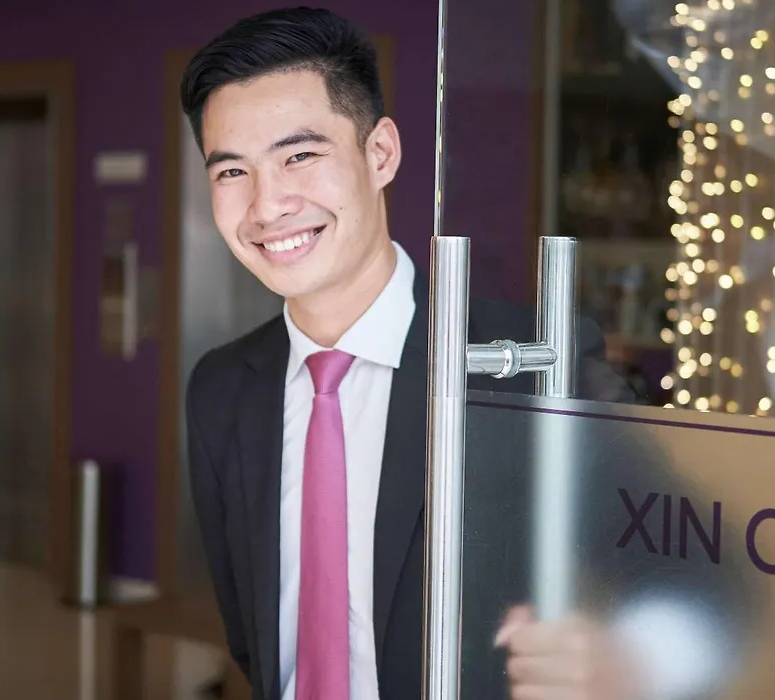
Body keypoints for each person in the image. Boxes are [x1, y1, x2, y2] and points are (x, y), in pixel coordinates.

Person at [181, 7, 739, 700]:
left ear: (380, 153)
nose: (267, 206)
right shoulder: (221, 388)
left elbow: (704, 582)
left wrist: (630, 660)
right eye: (233, 171)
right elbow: (255, 637)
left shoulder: (531, 363)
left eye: (300, 156)